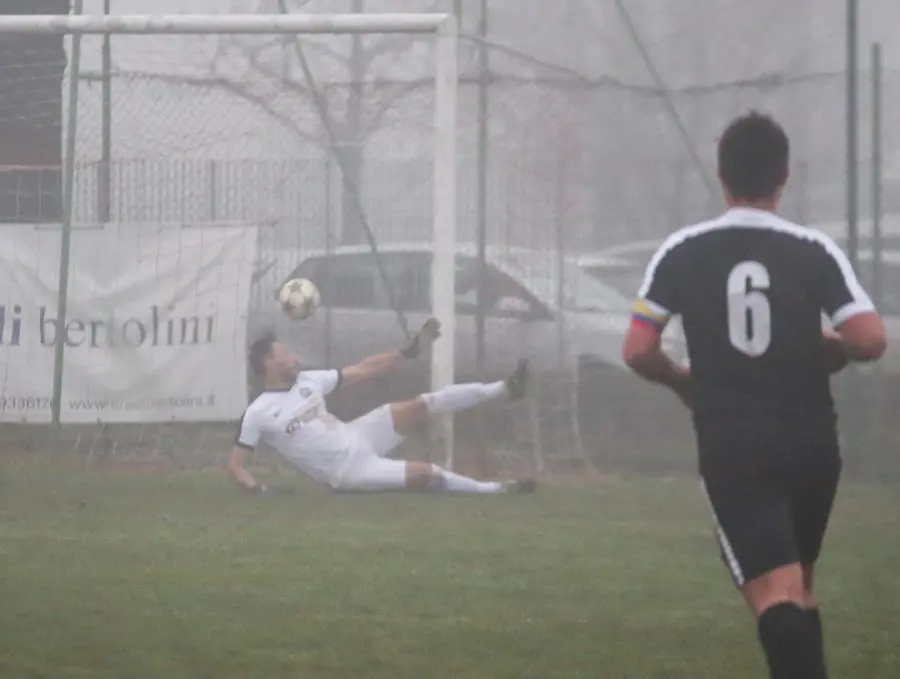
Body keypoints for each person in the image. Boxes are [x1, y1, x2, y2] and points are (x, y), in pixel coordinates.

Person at [621, 111, 887, 679]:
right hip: (813, 442)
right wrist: (832, 347)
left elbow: (638, 349)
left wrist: (682, 381)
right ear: (783, 177)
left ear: (722, 176)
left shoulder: (683, 249)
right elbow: (870, 339)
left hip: (735, 442)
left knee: (774, 596)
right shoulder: (812, 249)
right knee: (798, 584)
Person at [227, 318, 536, 495]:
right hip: (348, 470)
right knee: (430, 474)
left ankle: (506, 388)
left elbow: (364, 369)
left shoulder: (309, 380)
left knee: (422, 404)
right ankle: (497, 490)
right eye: (285, 354)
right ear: (269, 363)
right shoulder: (258, 412)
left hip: (359, 435)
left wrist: (408, 352)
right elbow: (236, 464)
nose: (293, 358)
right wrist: (258, 491)